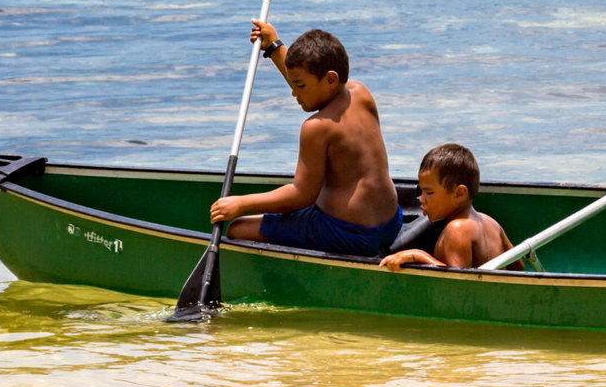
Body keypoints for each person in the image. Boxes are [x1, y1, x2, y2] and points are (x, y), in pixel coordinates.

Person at [209, 20, 402, 256]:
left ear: (330, 79)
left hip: (349, 233)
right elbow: (312, 75)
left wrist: (241, 204)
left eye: (299, 86)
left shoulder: (316, 128)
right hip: (390, 224)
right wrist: (274, 46)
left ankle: (287, 279)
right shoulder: (361, 94)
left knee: (239, 229)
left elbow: (301, 194)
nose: (293, 93)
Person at [379, 142, 519, 271]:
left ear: (459, 194)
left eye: (429, 192)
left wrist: (418, 255)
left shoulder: (457, 229)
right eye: (420, 191)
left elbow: (455, 280)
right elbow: (517, 267)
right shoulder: (492, 223)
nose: (420, 199)